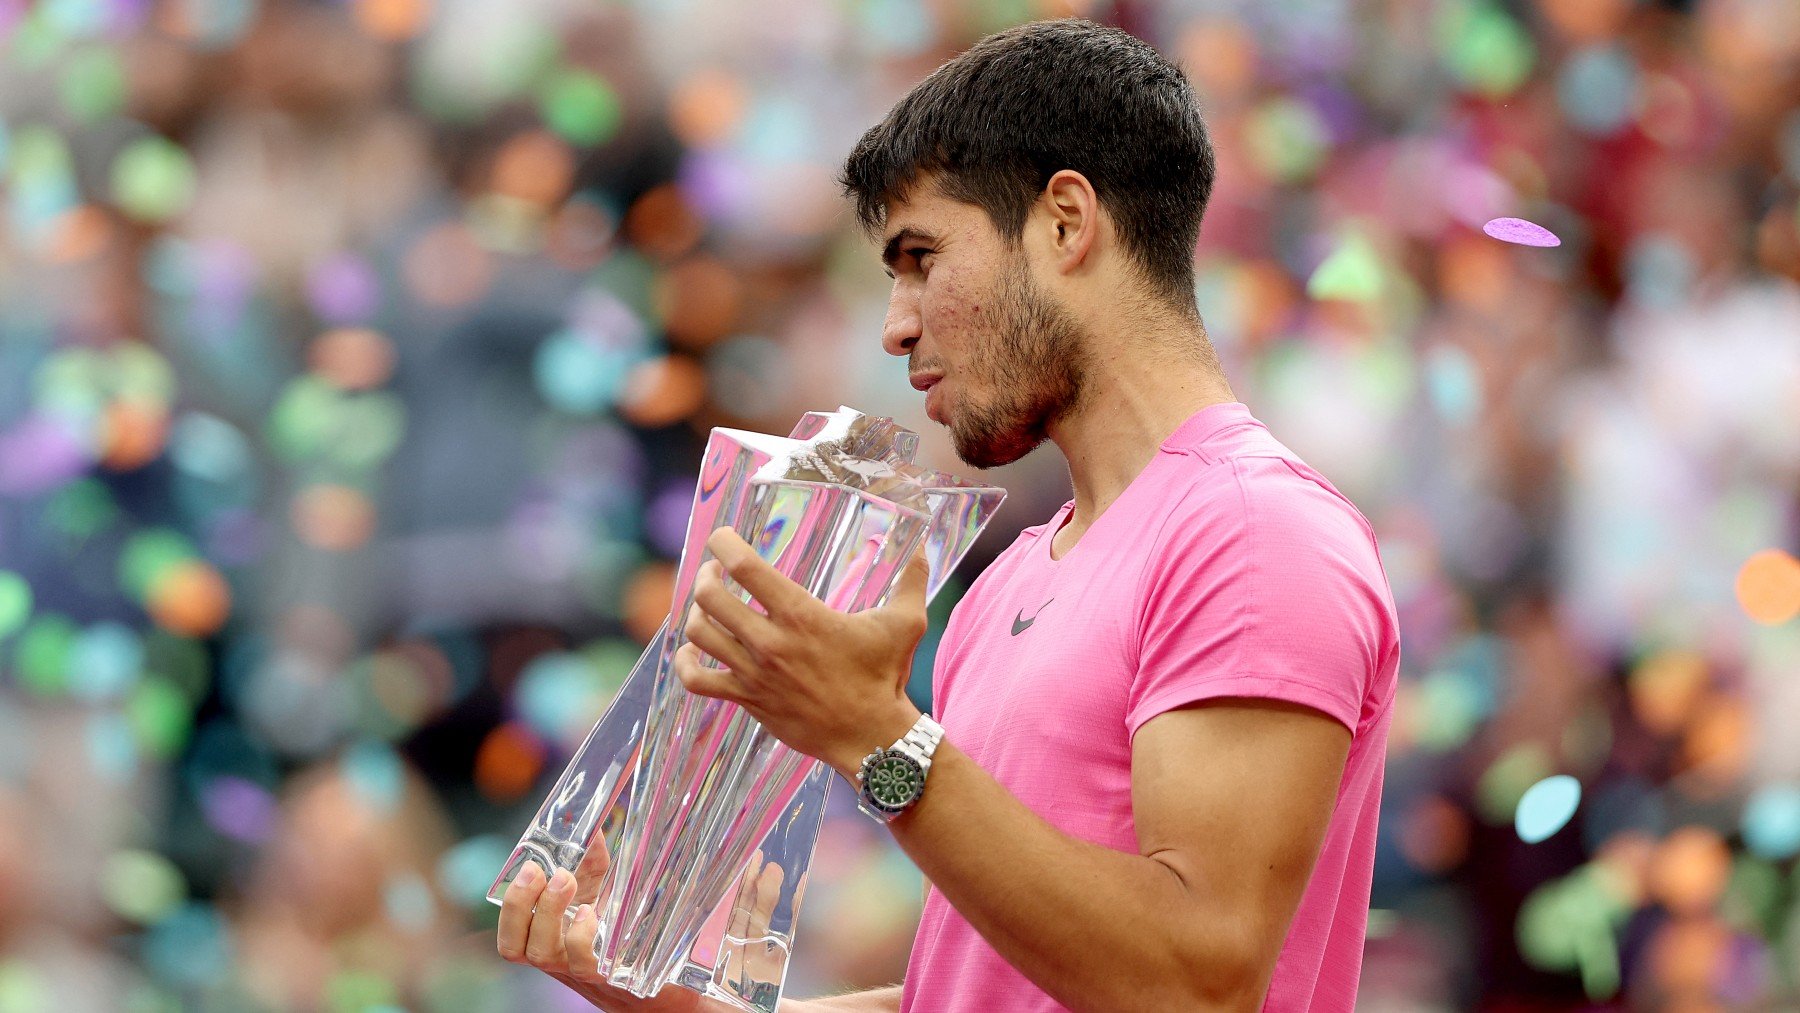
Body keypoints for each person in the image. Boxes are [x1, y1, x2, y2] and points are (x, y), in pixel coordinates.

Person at [497, 18, 1399, 1012]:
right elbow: (975, 990)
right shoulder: (1007, 580)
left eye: (921, 256)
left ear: (1064, 222)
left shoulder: (1256, 534)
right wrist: (666, 998)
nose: (896, 323)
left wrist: (876, 736)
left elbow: (1194, 979)